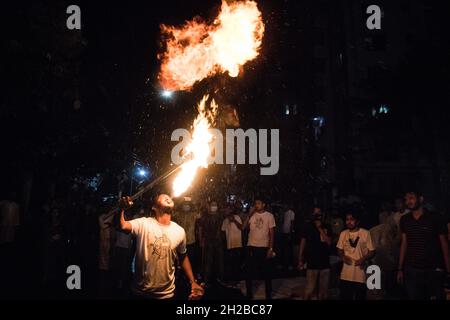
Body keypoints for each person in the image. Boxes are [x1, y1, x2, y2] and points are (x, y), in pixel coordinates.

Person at [118, 194, 204, 300]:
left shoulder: (179, 231)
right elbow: (122, 225)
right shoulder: (144, 223)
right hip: (140, 293)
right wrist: (121, 209)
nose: (168, 197)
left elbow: (183, 256)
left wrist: (193, 282)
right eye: (163, 197)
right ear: (154, 207)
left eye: (168, 196)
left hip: (166, 294)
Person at [396, 191, 450, 300]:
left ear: (420, 199)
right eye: (406, 199)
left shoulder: (435, 218)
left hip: (432, 269)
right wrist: (400, 268)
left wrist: (448, 270)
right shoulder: (405, 219)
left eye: (411, 198)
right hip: (412, 269)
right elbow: (404, 243)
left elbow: (444, 244)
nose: (408, 201)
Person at [337, 210, 375, 300]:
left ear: (357, 221)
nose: (349, 222)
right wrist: (343, 257)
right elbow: (339, 250)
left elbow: (372, 251)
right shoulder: (343, 233)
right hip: (346, 274)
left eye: (351, 219)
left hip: (360, 275)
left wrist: (364, 258)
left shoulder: (365, 233)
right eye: (347, 219)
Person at [243, 197, 276, 299]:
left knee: (267, 272)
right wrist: (249, 215)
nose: (256, 205)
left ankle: (268, 294)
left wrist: (270, 249)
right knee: (249, 272)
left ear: (263, 204)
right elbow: (243, 227)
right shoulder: (252, 216)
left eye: (258, 203)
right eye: (255, 203)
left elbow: (272, 233)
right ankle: (249, 294)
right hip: (251, 246)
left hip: (263, 247)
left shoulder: (269, 216)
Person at [298, 206, 332, 300]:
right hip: (312, 262)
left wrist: (320, 228)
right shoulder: (307, 226)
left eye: (319, 213)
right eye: (315, 214)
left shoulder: (327, 226)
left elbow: (329, 242)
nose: (318, 216)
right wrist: (300, 258)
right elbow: (303, 242)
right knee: (309, 290)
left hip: (324, 262)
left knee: (323, 292)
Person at [172, 198, 201, 275]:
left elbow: (199, 213)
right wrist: (179, 201)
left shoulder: (193, 214)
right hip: (180, 242)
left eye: (187, 205)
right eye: (184, 205)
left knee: (191, 260)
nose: (186, 206)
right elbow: (172, 211)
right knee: (179, 260)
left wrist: (193, 202)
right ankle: (181, 276)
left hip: (191, 241)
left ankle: (191, 277)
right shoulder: (178, 214)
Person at [198, 200, 224, 288]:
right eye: (212, 205)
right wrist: (201, 240)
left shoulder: (220, 215)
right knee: (208, 261)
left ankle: (218, 278)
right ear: (209, 206)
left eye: (215, 205)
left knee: (218, 260)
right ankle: (206, 280)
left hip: (218, 242)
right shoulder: (205, 216)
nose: (214, 207)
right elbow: (201, 228)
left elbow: (220, 229)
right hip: (208, 241)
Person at [221, 203, 243, 282]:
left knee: (237, 263)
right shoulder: (225, 220)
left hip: (237, 244)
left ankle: (237, 279)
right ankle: (232, 279)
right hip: (229, 245)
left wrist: (234, 221)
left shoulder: (237, 217)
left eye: (227, 209)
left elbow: (241, 227)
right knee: (230, 263)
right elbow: (223, 232)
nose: (226, 211)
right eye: (225, 210)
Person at [280, 204, 295, 270]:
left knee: (288, 249)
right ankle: (284, 263)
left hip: (288, 233)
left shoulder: (291, 213)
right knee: (284, 248)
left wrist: (290, 233)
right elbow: (282, 222)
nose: (285, 206)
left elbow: (292, 223)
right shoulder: (284, 213)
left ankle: (289, 264)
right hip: (284, 232)